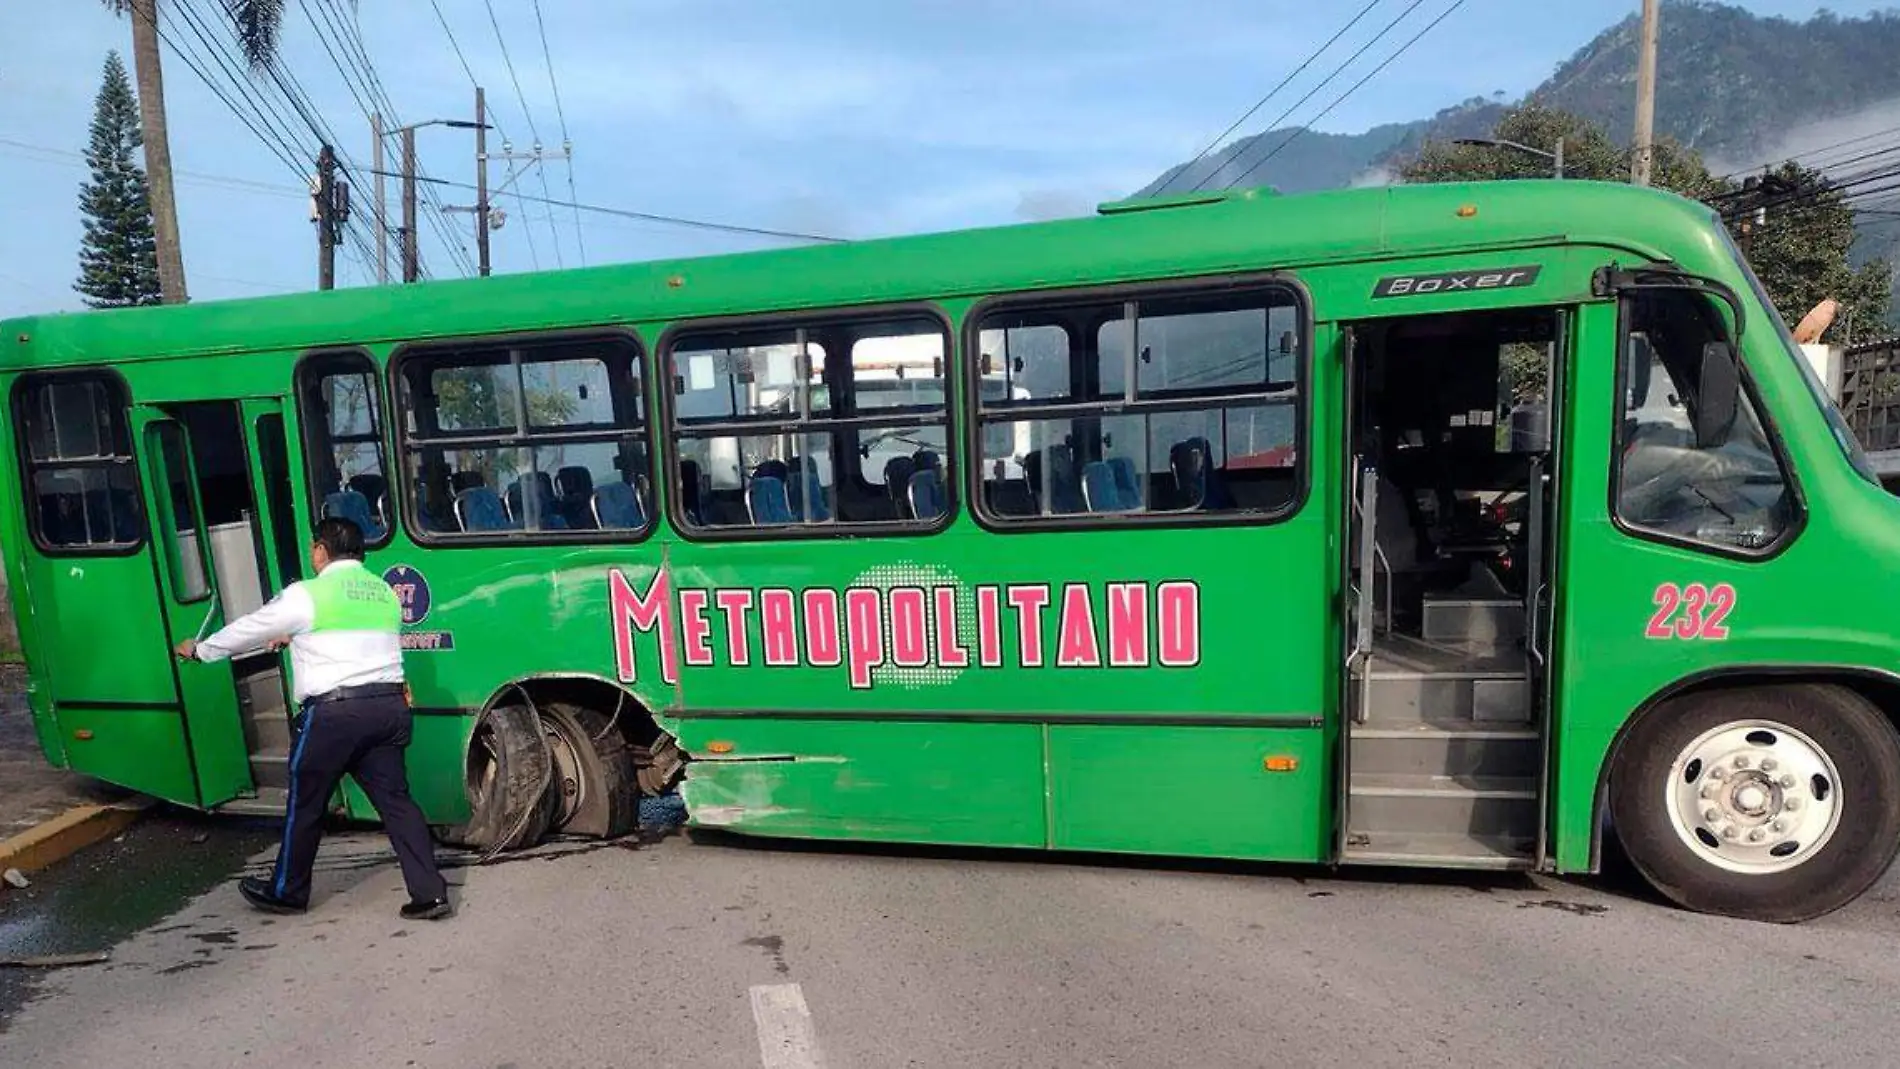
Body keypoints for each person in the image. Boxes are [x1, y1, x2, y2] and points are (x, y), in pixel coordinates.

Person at [175, 517, 451, 920]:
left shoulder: (308, 594)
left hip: (334, 716)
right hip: (388, 709)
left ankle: (287, 891)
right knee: (397, 803)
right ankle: (431, 893)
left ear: (322, 550)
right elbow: (355, 638)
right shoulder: (384, 594)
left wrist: (201, 650)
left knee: (305, 804)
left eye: (312, 549)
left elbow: (251, 628)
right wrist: (297, 634)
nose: (311, 555)